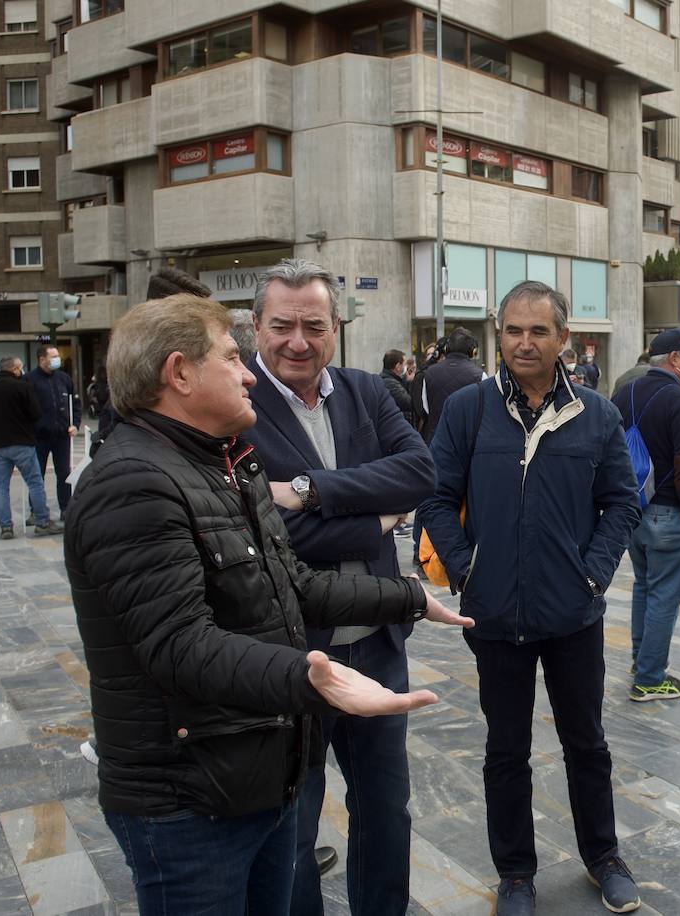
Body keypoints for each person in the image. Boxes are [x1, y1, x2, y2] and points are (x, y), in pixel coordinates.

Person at [64, 294, 470, 915]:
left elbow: (294, 584)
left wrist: (407, 597)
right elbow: (182, 646)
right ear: (179, 374)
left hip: (252, 772)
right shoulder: (134, 482)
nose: (252, 372)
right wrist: (318, 681)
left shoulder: (226, 461)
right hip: (190, 799)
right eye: (233, 356)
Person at [420, 280, 642, 916]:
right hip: (492, 615)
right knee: (505, 750)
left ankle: (603, 856)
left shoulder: (595, 414)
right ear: (499, 334)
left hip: (573, 614)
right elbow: (435, 495)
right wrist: (465, 570)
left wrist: (593, 574)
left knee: (587, 744)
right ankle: (515, 872)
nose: (524, 342)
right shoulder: (468, 409)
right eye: (513, 330)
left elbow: (622, 502)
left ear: (563, 339)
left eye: (538, 331)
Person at [242, 259, 437, 916]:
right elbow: (275, 541)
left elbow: (419, 471)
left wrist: (308, 491)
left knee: (386, 811)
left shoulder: (365, 391)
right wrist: (377, 518)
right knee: (294, 825)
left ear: (337, 328)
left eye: (314, 326)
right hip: (294, 654)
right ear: (256, 326)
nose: (299, 341)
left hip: (378, 643)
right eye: (283, 326)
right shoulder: (236, 409)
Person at [612, 329, 680, 701]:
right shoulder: (679, 400)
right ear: (673, 359)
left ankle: (641, 661)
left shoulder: (624, 393)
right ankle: (651, 678)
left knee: (645, 587)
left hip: (635, 511)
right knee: (664, 597)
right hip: (670, 514)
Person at [0, 356, 61, 538]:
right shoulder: (23, 387)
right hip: (22, 442)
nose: (22, 371)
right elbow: (36, 413)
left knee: (1, 487)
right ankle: (42, 521)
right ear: (14, 369)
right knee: (35, 483)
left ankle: (5, 526)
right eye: (20, 368)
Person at [26, 344, 79, 520]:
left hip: (62, 435)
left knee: (64, 472)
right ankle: (36, 511)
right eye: (53, 356)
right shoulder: (30, 380)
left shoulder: (64, 378)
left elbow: (75, 403)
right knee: (37, 475)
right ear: (42, 359)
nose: (58, 359)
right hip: (39, 437)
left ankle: (66, 508)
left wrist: (75, 424)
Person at [411, 326, 483, 444]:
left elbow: (425, 409)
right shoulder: (480, 375)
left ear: (446, 349)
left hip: (436, 440)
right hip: (468, 443)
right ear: (473, 351)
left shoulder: (428, 374)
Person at [380, 348, 419, 428]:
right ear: (398, 366)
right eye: (404, 364)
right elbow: (409, 403)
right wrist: (411, 383)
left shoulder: (393, 379)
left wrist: (407, 381)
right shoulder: (390, 383)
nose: (406, 367)